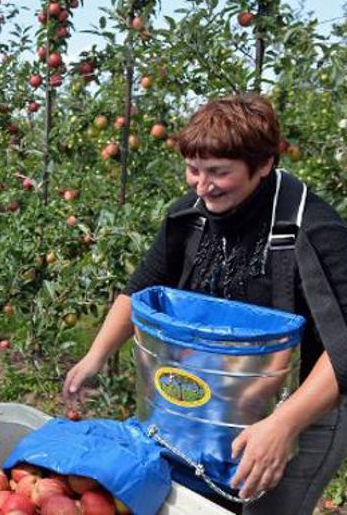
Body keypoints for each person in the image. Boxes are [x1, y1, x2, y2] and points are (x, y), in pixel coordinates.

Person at [62, 95, 347, 514]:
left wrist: (284, 425)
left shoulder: (313, 231)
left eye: (218, 172)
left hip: (299, 413)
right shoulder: (190, 217)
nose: (201, 184)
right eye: (194, 169)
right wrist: (96, 355)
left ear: (264, 164)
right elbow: (142, 285)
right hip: (208, 407)